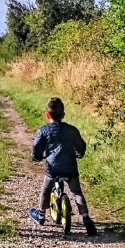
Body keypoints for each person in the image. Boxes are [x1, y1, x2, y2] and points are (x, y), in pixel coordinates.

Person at [28, 97, 98, 236]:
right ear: (63, 115)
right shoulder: (72, 130)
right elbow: (81, 147)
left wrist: (37, 157)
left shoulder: (43, 131)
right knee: (77, 192)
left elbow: (36, 149)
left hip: (53, 168)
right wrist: (79, 154)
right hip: (70, 167)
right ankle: (86, 217)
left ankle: (41, 215)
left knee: (46, 190)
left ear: (47, 115)